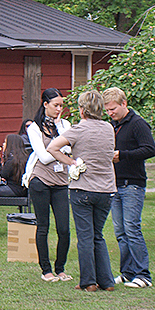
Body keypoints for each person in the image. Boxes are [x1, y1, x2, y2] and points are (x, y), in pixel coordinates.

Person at [47, 90, 116, 292]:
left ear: (83, 110)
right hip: (106, 189)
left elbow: (52, 147)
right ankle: (107, 281)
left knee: (85, 236)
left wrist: (71, 161)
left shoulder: (78, 129)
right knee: (98, 235)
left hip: (83, 188)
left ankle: (88, 281)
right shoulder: (109, 128)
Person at [103, 87, 155, 288]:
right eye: (107, 110)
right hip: (115, 184)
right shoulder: (112, 125)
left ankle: (144, 275)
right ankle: (127, 272)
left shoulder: (138, 124)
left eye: (113, 109)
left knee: (132, 228)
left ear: (124, 104)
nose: (110, 113)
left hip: (132, 184)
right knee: (120, 231)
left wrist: (123, 154)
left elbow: (150, 149)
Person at [22, 87, 73, 283]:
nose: (59, 109)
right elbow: (43, 157)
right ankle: (46, 270)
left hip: (61, 181)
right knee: (43, 226)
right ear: (45, 105)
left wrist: (59, 129)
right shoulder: (34, 127)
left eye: (61, 105)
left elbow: (71, 147)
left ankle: (60, 268)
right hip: (41, 180)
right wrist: (62, 150)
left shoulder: (65, 125)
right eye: (55, 105)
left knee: (64, 229)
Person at [0, 134, 29, 198]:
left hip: (14, 189)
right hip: (23, 189)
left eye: (5, 142)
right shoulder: (24, 157)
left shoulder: (12, 159)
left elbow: (2, 175)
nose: (3, 144)